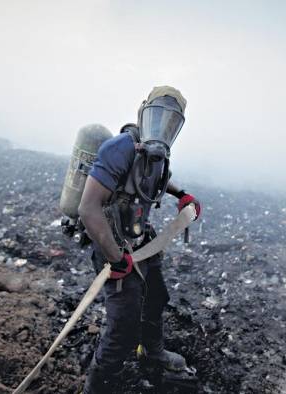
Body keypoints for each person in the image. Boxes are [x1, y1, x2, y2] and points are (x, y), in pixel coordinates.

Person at [78, 86, 201, 393]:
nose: (163, 126)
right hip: (112, 245)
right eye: (158, 115)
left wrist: (181, 194)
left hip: (141, 240)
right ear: (143, 112)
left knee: (156, 297)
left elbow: (157, 176)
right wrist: (116, 259)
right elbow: (88, 207)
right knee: (123, 326)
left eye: (171, 121)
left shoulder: (156, 153)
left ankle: (152, 352)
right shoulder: (120, 148)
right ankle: (96, 387)